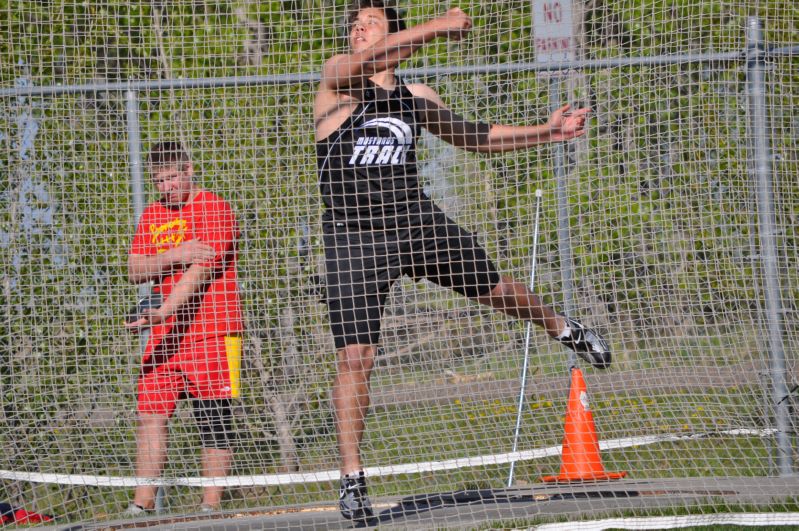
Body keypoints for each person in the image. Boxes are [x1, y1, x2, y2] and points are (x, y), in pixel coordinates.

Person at [314, 0, 612, 521]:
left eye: (371, 22)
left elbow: (474, 137)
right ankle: (353, 478)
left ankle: (565, 328)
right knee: (355, 359)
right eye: (354, 24)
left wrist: (547, 132)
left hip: (415, 222)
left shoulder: (415, 97)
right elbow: (366, 62)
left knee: (499, 289)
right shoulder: (336, 80)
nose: (357, 28)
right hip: (354, 236)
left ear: (394, 33)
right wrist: (440, 26)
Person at [123, 141, 243, 515]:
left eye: (172, 178)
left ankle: (210, 507)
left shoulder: (214, 207)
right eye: (159, 181)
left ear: (189, 171)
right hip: (164, 336)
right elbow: (134, 269)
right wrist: (175, 253)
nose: (166, 187)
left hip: (215, 331)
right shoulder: (152, 214)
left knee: (214, 419)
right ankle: (141, 506)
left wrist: (165, 309)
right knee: (150, 415)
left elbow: (199, 271)